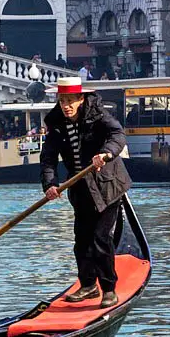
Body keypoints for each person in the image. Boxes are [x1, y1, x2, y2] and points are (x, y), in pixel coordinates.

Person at [41, 76, 132, 308]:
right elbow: (48, 157)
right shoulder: (56, 122)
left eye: (71, 101)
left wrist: (106, 154)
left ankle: (109, 289)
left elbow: (118, 135)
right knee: (81, 240)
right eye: (63, 101)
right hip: (80, 187)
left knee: (100, 238)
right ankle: (88, 285)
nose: (66, 106)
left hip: (108, 185)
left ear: (81, 99)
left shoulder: (98, 114)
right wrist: (50, 184)